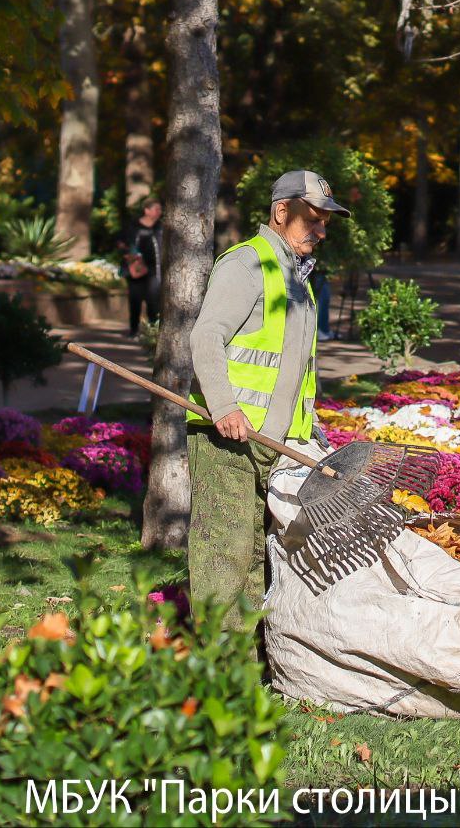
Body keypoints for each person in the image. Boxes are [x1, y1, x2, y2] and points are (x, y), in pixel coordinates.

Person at [185, 170, 350, 631]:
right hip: (227, 439)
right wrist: (223, 406)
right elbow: (206, 336)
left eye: (325, 223)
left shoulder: (297, 278)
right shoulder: (246, 264)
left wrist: (310, 428)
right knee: (225, 555)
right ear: (282, 211)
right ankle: (217, 675)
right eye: (313, 219)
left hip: (269, 443)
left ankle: (248, 659)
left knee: (256, 555)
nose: (320, 230)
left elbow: (294, 368)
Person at [120, 196, 163, 337]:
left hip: (154, 270)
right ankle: (133, 330)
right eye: (156, 209)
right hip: (136, 269)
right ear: (147, 210)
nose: (159, 212)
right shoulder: (133, 226)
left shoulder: (160, 227)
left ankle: (152, 331)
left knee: (153, 299)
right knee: (135, 299)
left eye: (160, 209)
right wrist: (129, 255)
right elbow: (121, 243)